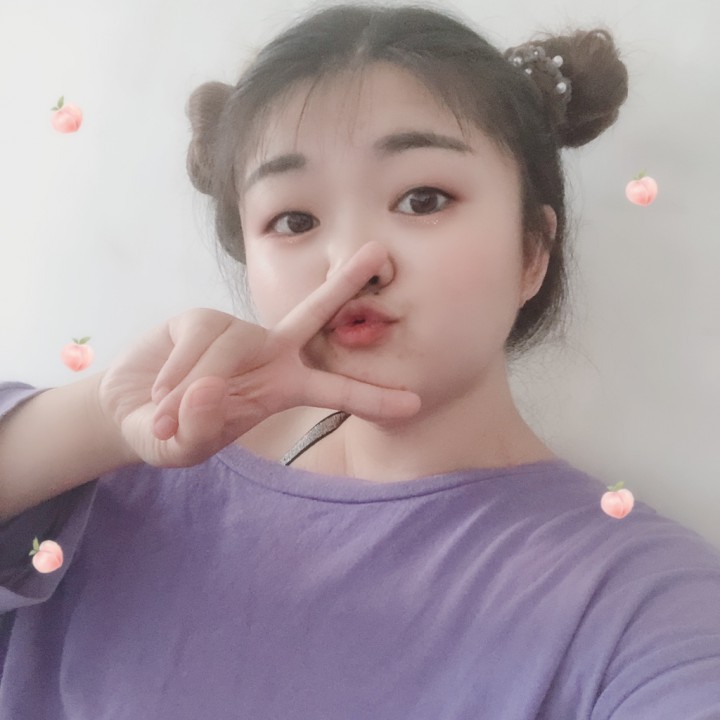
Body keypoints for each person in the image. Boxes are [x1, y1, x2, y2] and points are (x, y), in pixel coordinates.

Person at [1, 4, 719, 718]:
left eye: (423, 199)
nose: (353, 260)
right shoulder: (106, 477)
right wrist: (101, 417)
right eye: (294, 220)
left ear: (532, 250)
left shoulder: (639, 602)